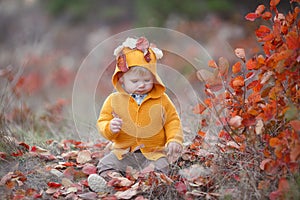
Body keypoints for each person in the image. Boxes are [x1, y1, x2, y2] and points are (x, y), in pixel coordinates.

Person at [88, 37, 183, 192]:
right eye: (135, 81)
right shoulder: (114, 100)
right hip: (124, 153)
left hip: (154, 153)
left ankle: (147, 185)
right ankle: (113, 183)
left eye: (147, 80)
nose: (141, 84)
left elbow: (172, 120)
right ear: (122, 80)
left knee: (161, 167)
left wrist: (174, 139)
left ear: (154, 78)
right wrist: (110, 127)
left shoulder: (162, 100)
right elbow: (102, 121)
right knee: (106, 164)